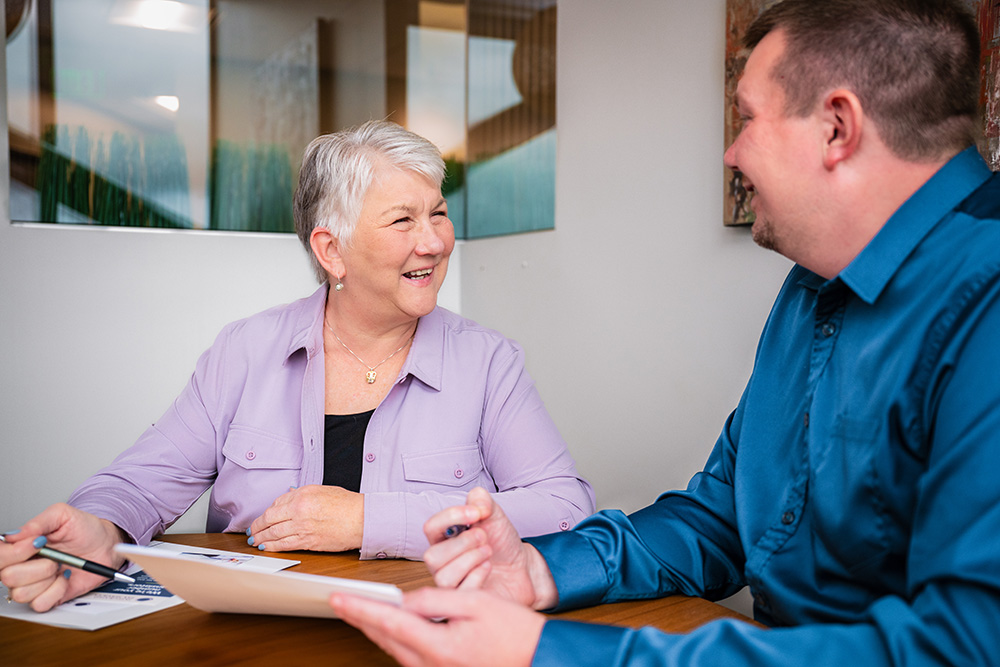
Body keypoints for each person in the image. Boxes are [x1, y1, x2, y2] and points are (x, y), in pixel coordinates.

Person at [327, 1, 1000, 664]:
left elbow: (962, 647)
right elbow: (718, 519)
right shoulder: (811, 287)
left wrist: (550, 651)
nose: (734, 153)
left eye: (747, 119)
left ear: (836, 127)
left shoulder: (985, 299)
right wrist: (536, 570)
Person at [0, 120, 595, 613]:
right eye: (402, 220)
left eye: (437, 213)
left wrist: (371, 520)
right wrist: (99, 530)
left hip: (431, 634)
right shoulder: (246, 349)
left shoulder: (489, 362)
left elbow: (567, 509)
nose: (435, 241)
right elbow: (138, 484)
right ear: (330, 249)